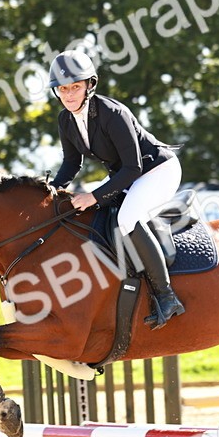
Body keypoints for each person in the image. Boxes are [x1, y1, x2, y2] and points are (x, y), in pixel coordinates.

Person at [47, 49, 184, 329]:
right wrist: (49, 189)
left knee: (125, 219)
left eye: (76, 86)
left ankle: (167, 296)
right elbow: (72, 164)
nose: (70, 94)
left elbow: (133, 168)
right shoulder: (65, 120)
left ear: (89, 85)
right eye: (63, 88)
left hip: (157, 171)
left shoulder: (112, 113)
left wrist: (95, 195)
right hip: (130, 176)